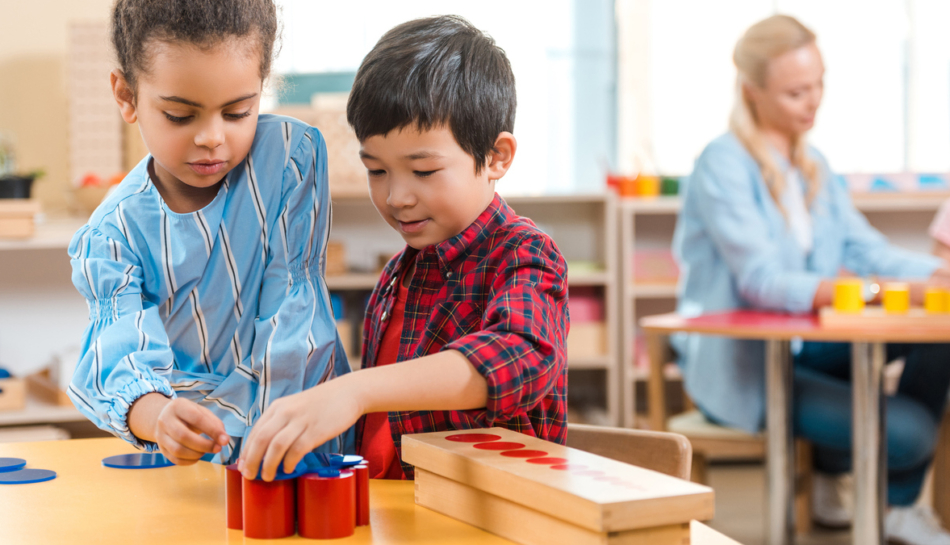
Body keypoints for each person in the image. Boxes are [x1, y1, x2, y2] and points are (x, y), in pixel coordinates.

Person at [238, 15, 569, 482]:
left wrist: (356, 390)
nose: (397, 197)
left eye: (424, 171)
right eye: (377, 171)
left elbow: (522, 352)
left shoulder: (523, 253)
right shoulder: (400, 271)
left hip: (485, 520)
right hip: (397, 512)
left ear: (496, 158)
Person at [673, 15, 950, 544]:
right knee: (911, 432)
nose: (814, 101)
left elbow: (866, 249)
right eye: (797, 91)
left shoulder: (813, 164)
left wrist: (937, 275)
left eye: (820, 84)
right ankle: (840, 462)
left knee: (940, 328)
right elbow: (761, 280)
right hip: (750, 365)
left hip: (811, 350)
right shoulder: (722, 164)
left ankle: (891, 504)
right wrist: (882, 291)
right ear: (752, 91)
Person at [67, 0, 352, 467]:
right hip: (190, 453)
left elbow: (293, 319)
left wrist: (263, 436)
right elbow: (118, 358)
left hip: (296, 434)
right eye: (181, 116)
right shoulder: (112, 234)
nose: (212, 137)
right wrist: (160, 418)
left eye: (238, 111)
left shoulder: (288, 160)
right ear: (126, 95)